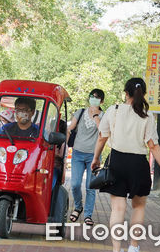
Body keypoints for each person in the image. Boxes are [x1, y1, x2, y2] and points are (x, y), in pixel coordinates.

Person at [91, 78, 160, 252]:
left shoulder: (113, 110)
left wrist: (96, 158)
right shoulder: (147, 115)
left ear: (125, 93)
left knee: (118, 208)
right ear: (142, 94)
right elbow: (153, 146)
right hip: (138, 164)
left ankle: (116, 249)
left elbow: (102, 137)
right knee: (139, 206)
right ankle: (133, 247)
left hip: (117, 161)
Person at [65, 89, 105, 226]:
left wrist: (96, 116)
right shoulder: (80, 112)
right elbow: (70, 128)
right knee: (75, 184)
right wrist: (64, 144)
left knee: (90, 186)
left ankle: (88, 215)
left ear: (102, 101)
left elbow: (103, 132)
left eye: (97, 98)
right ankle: (78, 206)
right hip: (77, 153)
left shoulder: (103, 116)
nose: (94, 99)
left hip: (93, 156)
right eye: (92, 97)